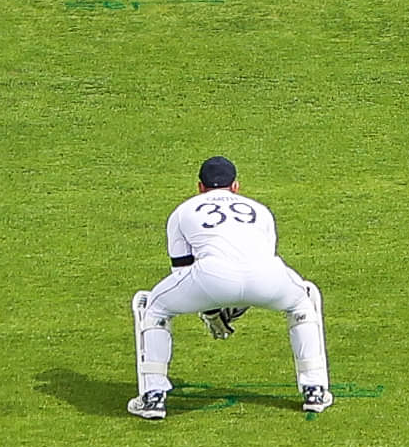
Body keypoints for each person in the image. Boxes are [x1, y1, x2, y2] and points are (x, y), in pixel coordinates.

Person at [128, 155, 330, 421]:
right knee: (304, 300)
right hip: (268, 276)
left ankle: (153, 396)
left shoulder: (183, 211)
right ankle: (314, 389)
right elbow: (253, 269)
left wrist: (211, 310)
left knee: (152, 305)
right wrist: (236, 304)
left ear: (200, 187)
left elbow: (183, 272)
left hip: (211, 277)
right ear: (236, 186)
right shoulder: (260, 210)